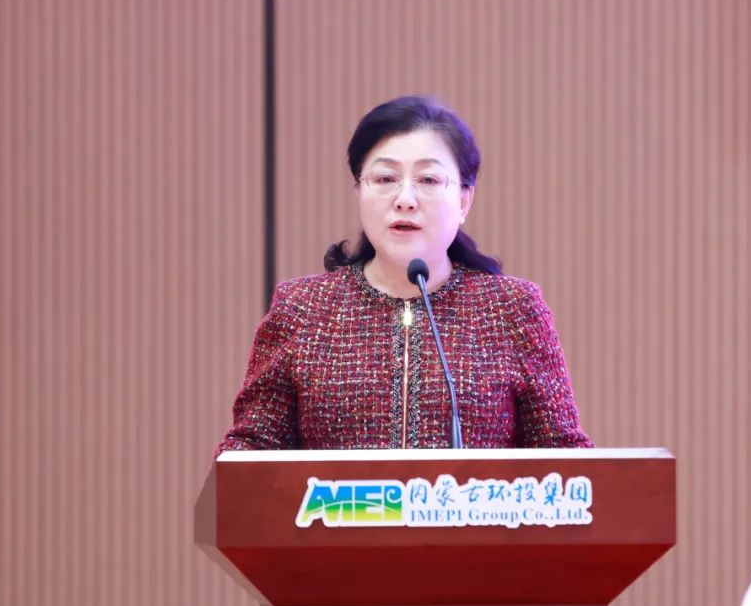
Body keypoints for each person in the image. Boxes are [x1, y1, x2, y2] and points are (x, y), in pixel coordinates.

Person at [215, 95, 592, 452]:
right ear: (359, 193)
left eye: (428, 180)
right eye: (384, 179)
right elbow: (249, 452)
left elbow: (565, 458)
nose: (405, 199)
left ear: (464, 200)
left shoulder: (512, 309)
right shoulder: (302, 309)